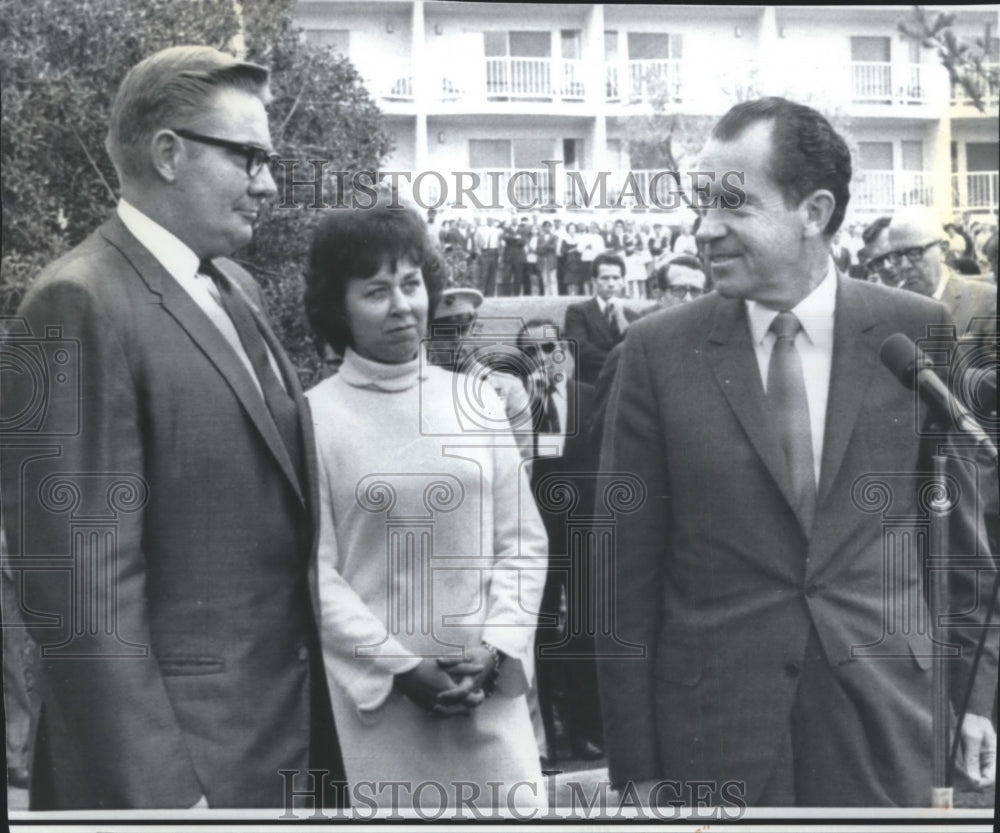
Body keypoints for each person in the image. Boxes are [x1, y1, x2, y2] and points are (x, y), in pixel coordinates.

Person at [597, 96, 998, 807]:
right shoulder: (656, 354)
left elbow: (961, 550)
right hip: (712, 737)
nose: (704, 229)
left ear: (813, 211)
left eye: (732, 206)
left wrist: (975, 696)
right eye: (700, 206)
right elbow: (620, 582)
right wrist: (636, 768)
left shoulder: (916, 333)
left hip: (884, 728)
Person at [0, 45, 342, 809]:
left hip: (278, 754)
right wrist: (166, 804)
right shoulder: (77, 303)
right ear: (167, 153)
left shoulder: (234, 286)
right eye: (248, 157)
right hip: (177, 782)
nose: (268, 183)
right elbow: (82, 596)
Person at [304, 203, 548, 813]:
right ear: (339, 307)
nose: (401, 306)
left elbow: (523, 542)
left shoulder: (477, 401)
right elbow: (315, 570)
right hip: (382, 709)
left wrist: (496, 647)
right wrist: (401, 667)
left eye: (411, 284)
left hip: (486, 698)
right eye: (376, 291)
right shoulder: (311, 417)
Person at [517, 319, 603, 766]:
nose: (543, 358)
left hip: (585, 532)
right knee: (543, 629)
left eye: (549, 347)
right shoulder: (518, 404)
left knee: (587, 628)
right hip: (539, 535)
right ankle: (546, 739)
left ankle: (587, 730)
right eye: (530, 351)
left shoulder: (590, 397)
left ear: (564, 351)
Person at [589, 254, 708, 450]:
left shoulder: (710, 350)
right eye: (678, 290)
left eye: (695, 291)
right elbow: (603, 432)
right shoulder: (629, 351)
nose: (688, 299)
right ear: (658, 295)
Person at [887, 205, 997, 336]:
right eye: (896, 256)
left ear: (943, 250)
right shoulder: (889, 308)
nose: (905, 265)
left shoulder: (984, 300)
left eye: (915, 253)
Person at [563, 251, 639, 386]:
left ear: (623, 281)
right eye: (605, 278)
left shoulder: (632, 317)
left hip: (623, 389)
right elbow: (581, 350)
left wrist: (620, 315)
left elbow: (636, 350)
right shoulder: (578, 312)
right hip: (589, 387)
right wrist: (623, 362)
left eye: (616, 278)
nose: (611, 283)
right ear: (594, 281)